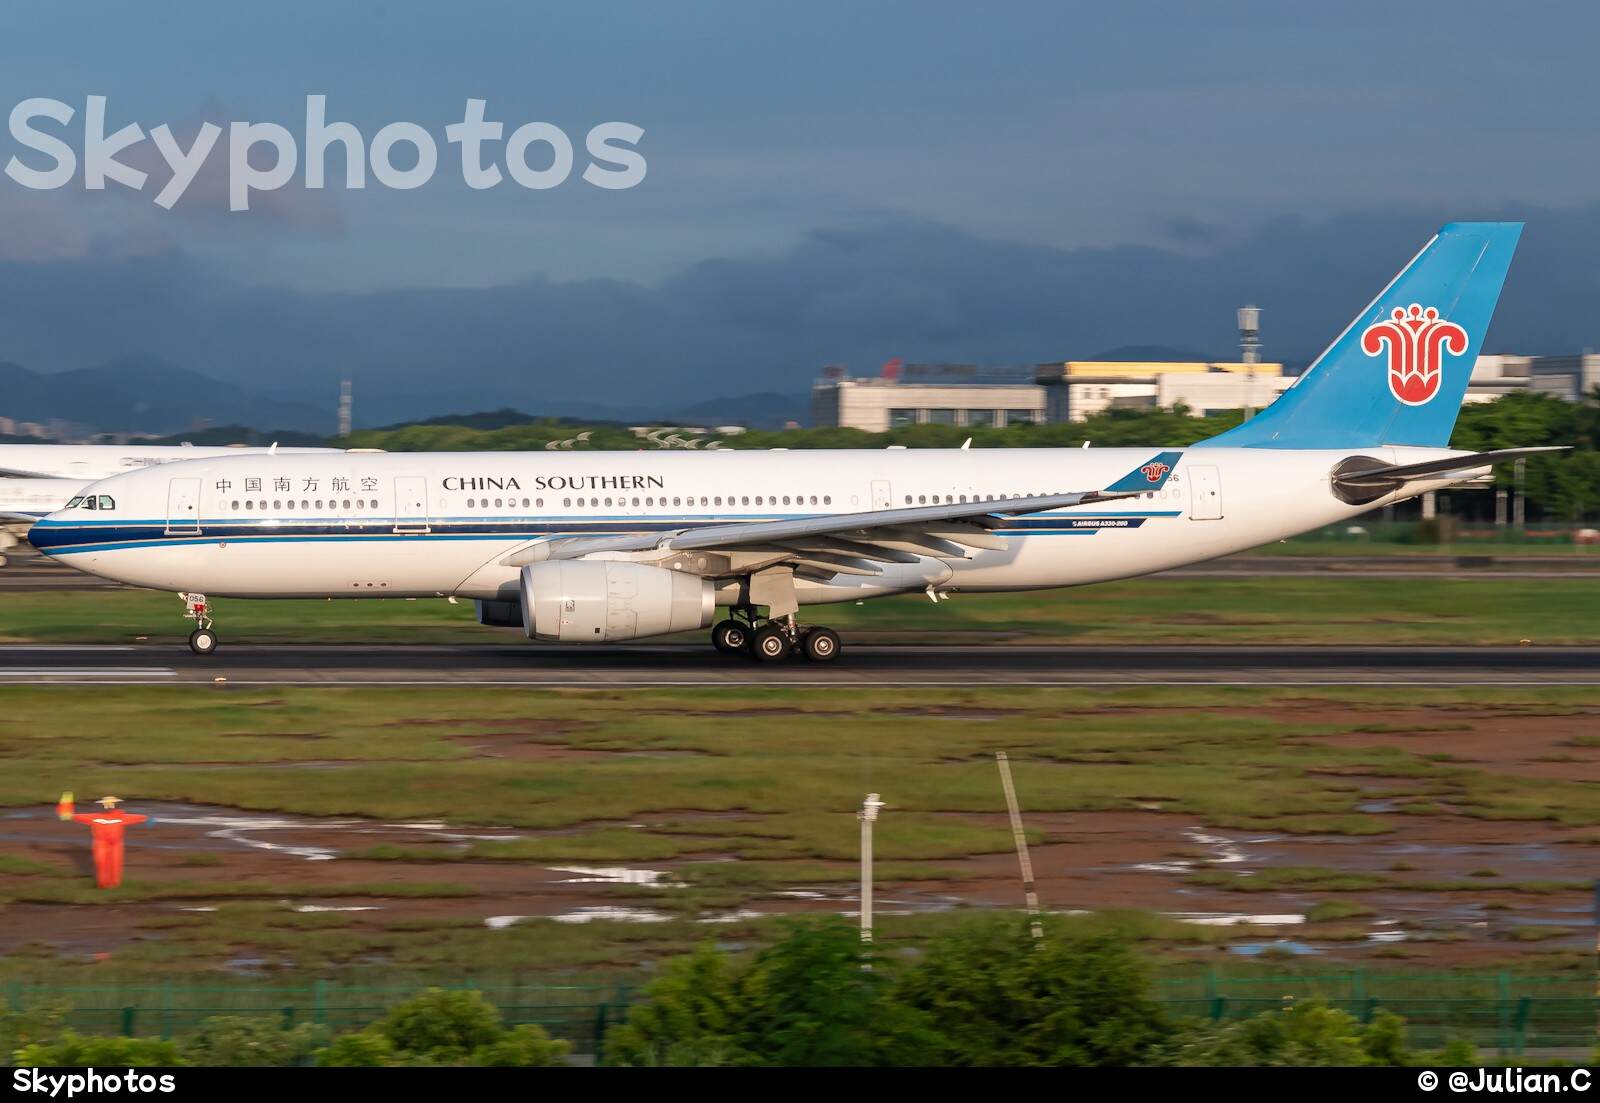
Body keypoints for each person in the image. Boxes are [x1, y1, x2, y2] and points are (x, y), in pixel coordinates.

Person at [56, 793, 150, 889]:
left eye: (111, 803)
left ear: (114, 804)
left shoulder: (122, 817)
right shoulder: (94, 817)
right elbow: (68, 816)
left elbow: (141, 818)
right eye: (107, 803)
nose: (109, 805)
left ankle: (114, 885)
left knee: (115, 863)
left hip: (116, 844)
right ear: (103, 805)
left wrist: (149, 820)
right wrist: (66, 802)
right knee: (101, 863)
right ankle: (103, 885)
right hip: (101, 843)